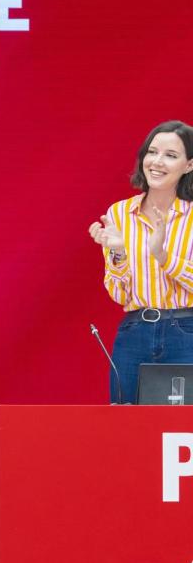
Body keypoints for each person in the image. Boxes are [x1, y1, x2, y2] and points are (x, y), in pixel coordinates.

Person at [88, 120, 193, 404]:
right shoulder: (120, 213)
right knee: (125, 421)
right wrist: (119, 253)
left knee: (183, 426)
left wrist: (163, 256)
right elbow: (118, 294)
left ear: (189, 165)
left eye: (171, 155)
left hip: (187, 330)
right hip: (135, 330)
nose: (157, 162)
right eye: (152, 152)